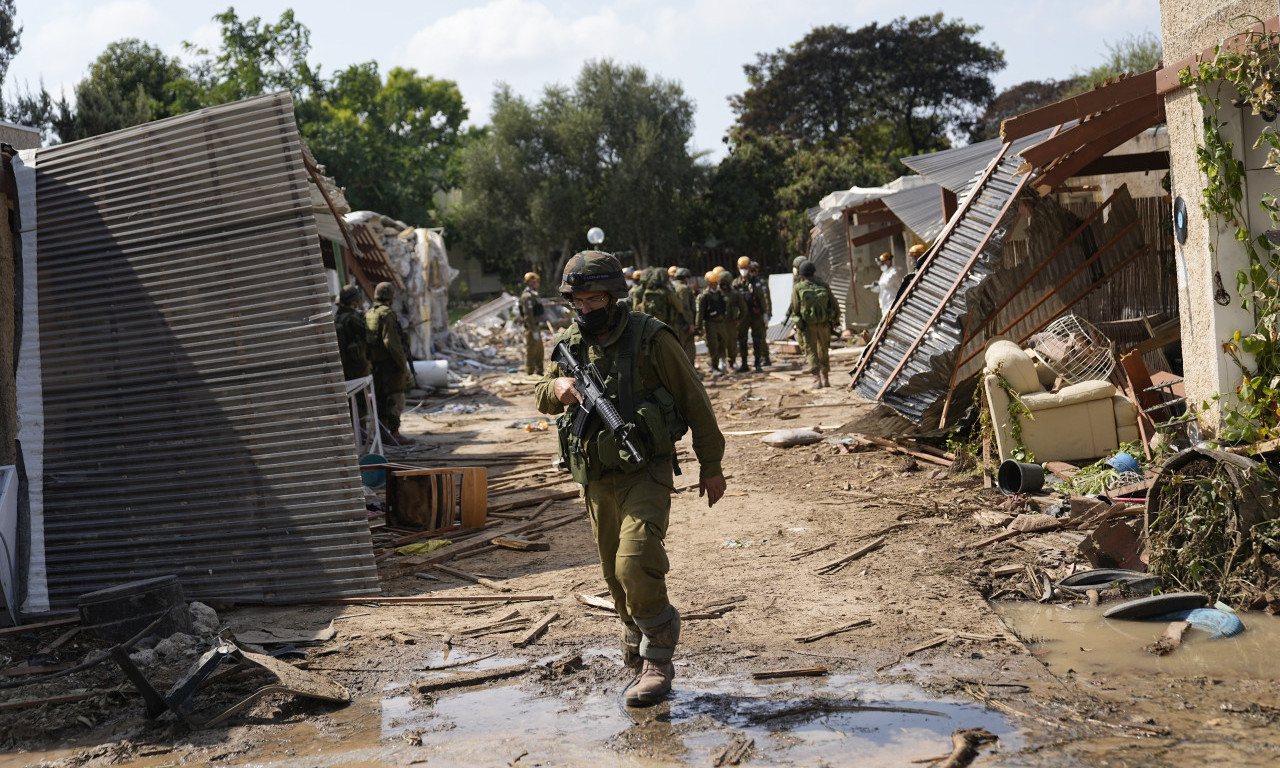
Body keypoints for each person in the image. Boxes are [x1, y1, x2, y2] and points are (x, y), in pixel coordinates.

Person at [534, 250, 726, 707]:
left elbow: (694, 399)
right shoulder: (570, 342)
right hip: (596, 477)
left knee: (634, 561)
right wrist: (557, 389)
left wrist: (711, 464)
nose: (585, 309)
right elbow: (542, 392)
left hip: (646, 469)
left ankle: (658, 652)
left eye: (594, 299)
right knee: (613, 575)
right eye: (577, 302)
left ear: (614, 296)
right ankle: (633, 638)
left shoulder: (650, 337)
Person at [365, 281, 413, 444]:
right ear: (390, 296)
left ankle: (383, 433)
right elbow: (391, 342)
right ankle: (394, 433)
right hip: (390, 365)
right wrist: (403, 365)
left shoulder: (370, 313)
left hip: (377, 364)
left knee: (380, 398)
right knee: (396, 397)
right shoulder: (387, 314)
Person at [788, 260, 840, 388]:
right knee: (824, 350)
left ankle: (817, 380)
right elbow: (835, 305)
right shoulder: (823, 285)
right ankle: (826, 379)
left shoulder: (798, 287)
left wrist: (798, 322)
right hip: (824, 324)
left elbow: (795, 308)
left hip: (808, 325)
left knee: (811, 351)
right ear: (814, 272)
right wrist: (835, 320)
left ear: (802, 274)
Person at [731, 256, 769, 372]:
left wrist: (765, 314)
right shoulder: (735, 283)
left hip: (755, 314)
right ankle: (744, 364)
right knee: (742, 339)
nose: (744, 270)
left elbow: (762, 298)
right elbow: (732, 301)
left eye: (746, 268)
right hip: (742, 316)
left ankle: (757, 362)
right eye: (741, 268)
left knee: (757, 339)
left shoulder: (756, 282)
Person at [696, 270, 733, 375]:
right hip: (710, 323)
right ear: (708, 284)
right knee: (713, 345)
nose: (715, 286)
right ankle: (714, 366)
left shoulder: (720, 294)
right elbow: (700, 313)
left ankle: (721, 360)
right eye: (713, 284)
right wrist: (699, 327)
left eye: (716, 283)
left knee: (724, 340)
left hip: (720, 322)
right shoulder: (704, 296)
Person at [333, 285, 369, 381]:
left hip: (343, 367)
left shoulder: (336, 318)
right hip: (358, 367)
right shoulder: (353, 319)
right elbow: (368, 335)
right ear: (354, 301)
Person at [518, 272, 546, 375]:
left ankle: (539, 371)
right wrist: (533, 330)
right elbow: (528, 315)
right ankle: (529, 372)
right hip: (531, 328)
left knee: (539, 351)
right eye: (536, 282)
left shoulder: (534, 294)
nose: (538, 284)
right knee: (531, 350)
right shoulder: (527, 296)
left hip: (536, 326)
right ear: (531, 283)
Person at [670, 267, 698, 366]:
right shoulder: (683, 288)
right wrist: (690, 323)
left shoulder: (674, 287)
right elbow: (685, 307)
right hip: (684, 323)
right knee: (689, 347)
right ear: (686, 278)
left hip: (677, 323)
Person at [868, 251, 904, 318]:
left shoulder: (894, 271)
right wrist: (872, 287)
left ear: (888, 261)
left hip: (892, 301)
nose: (881, 265)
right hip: (885, 303)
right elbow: (881, 288)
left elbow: (887, 282)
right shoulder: (885, 273)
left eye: (883, 263)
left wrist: (878, 283)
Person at [750, 260, 773, 367]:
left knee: (761, 336)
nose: (752, 272)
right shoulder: (748, 282)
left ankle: (765, 357)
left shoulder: (761, 282)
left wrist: (767, 313)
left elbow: (766, 299)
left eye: (754, 270)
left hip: (760, 313)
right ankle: (759, 357)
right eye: (751, 270)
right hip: (751, 313)